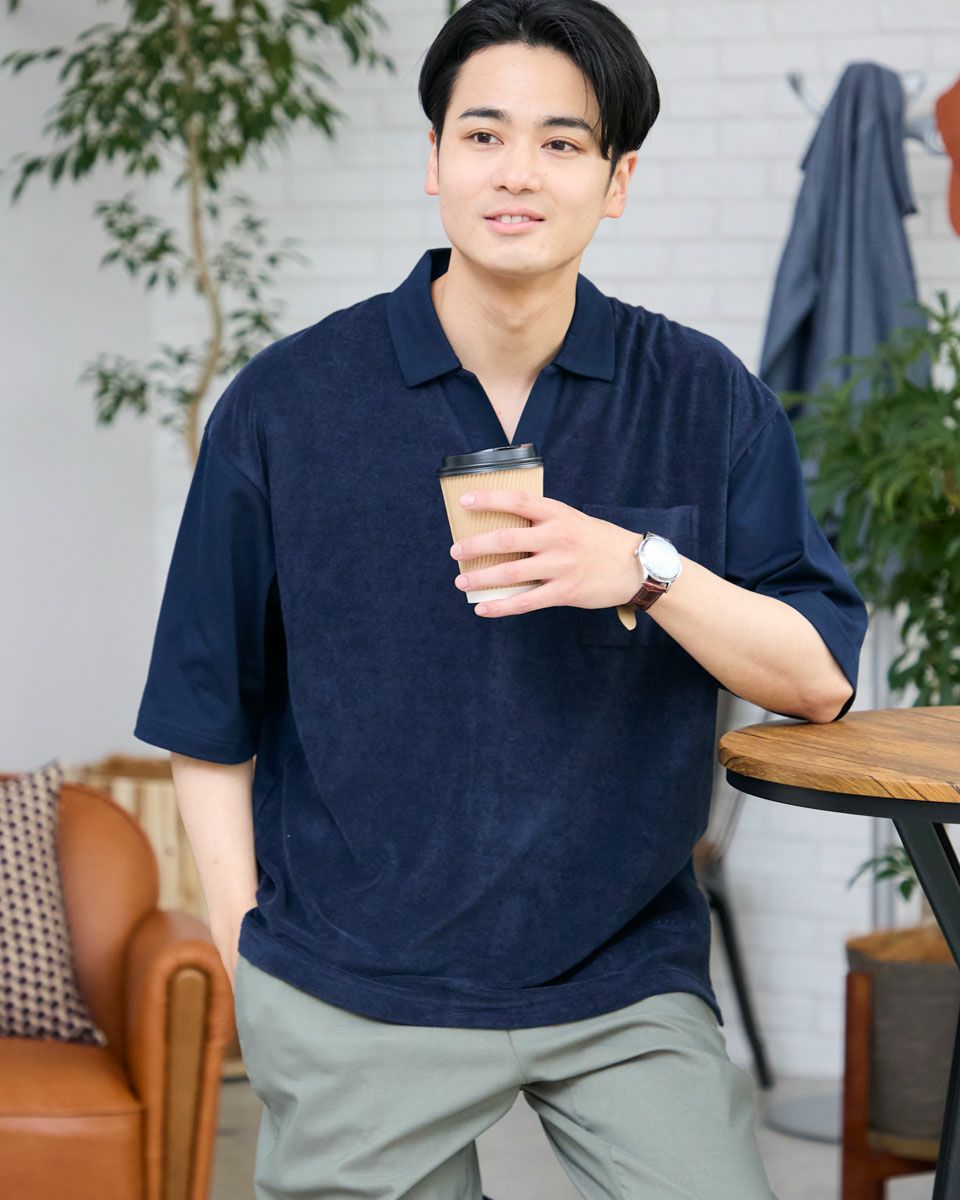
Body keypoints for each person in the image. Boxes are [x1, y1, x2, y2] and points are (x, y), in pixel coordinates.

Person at [133, 2, 868, 1197]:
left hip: (621, 982)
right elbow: (204, 714)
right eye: (483, 135)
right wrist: (248, 956)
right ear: (434, 160)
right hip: (354, 985)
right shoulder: (285, 404)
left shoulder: (705, 396)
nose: (517, 172)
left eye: (562, 142)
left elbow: (818, 681)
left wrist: (646, 569)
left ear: (617, 180)